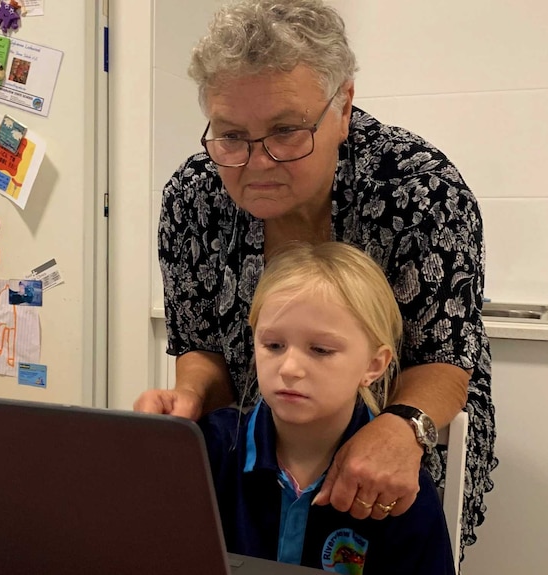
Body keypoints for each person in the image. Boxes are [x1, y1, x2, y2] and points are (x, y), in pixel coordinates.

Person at [133, 0, 496, 558]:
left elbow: (446, 358)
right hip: (253, 468)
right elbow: (200, 347)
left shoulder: (418, 189)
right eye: (231, 135)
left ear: (343, 104)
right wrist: (187, 404)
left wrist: (401, 430)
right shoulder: (193, 198)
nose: (256, 162)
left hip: (387, 464)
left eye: (286, 130)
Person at [199, 241, 455, 573]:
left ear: (373, 366)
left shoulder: (394, 483)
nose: (289, 368)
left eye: (320, 350)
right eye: (273, 345)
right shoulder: (211, 449)